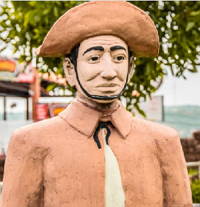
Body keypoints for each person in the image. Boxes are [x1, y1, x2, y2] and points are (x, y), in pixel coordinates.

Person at [1, 1, 192, 207]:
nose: (109, 72)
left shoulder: (163, 141)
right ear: (69, 69)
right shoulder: (31, 142)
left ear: (131, 68)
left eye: (119, 58)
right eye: (94, 58)